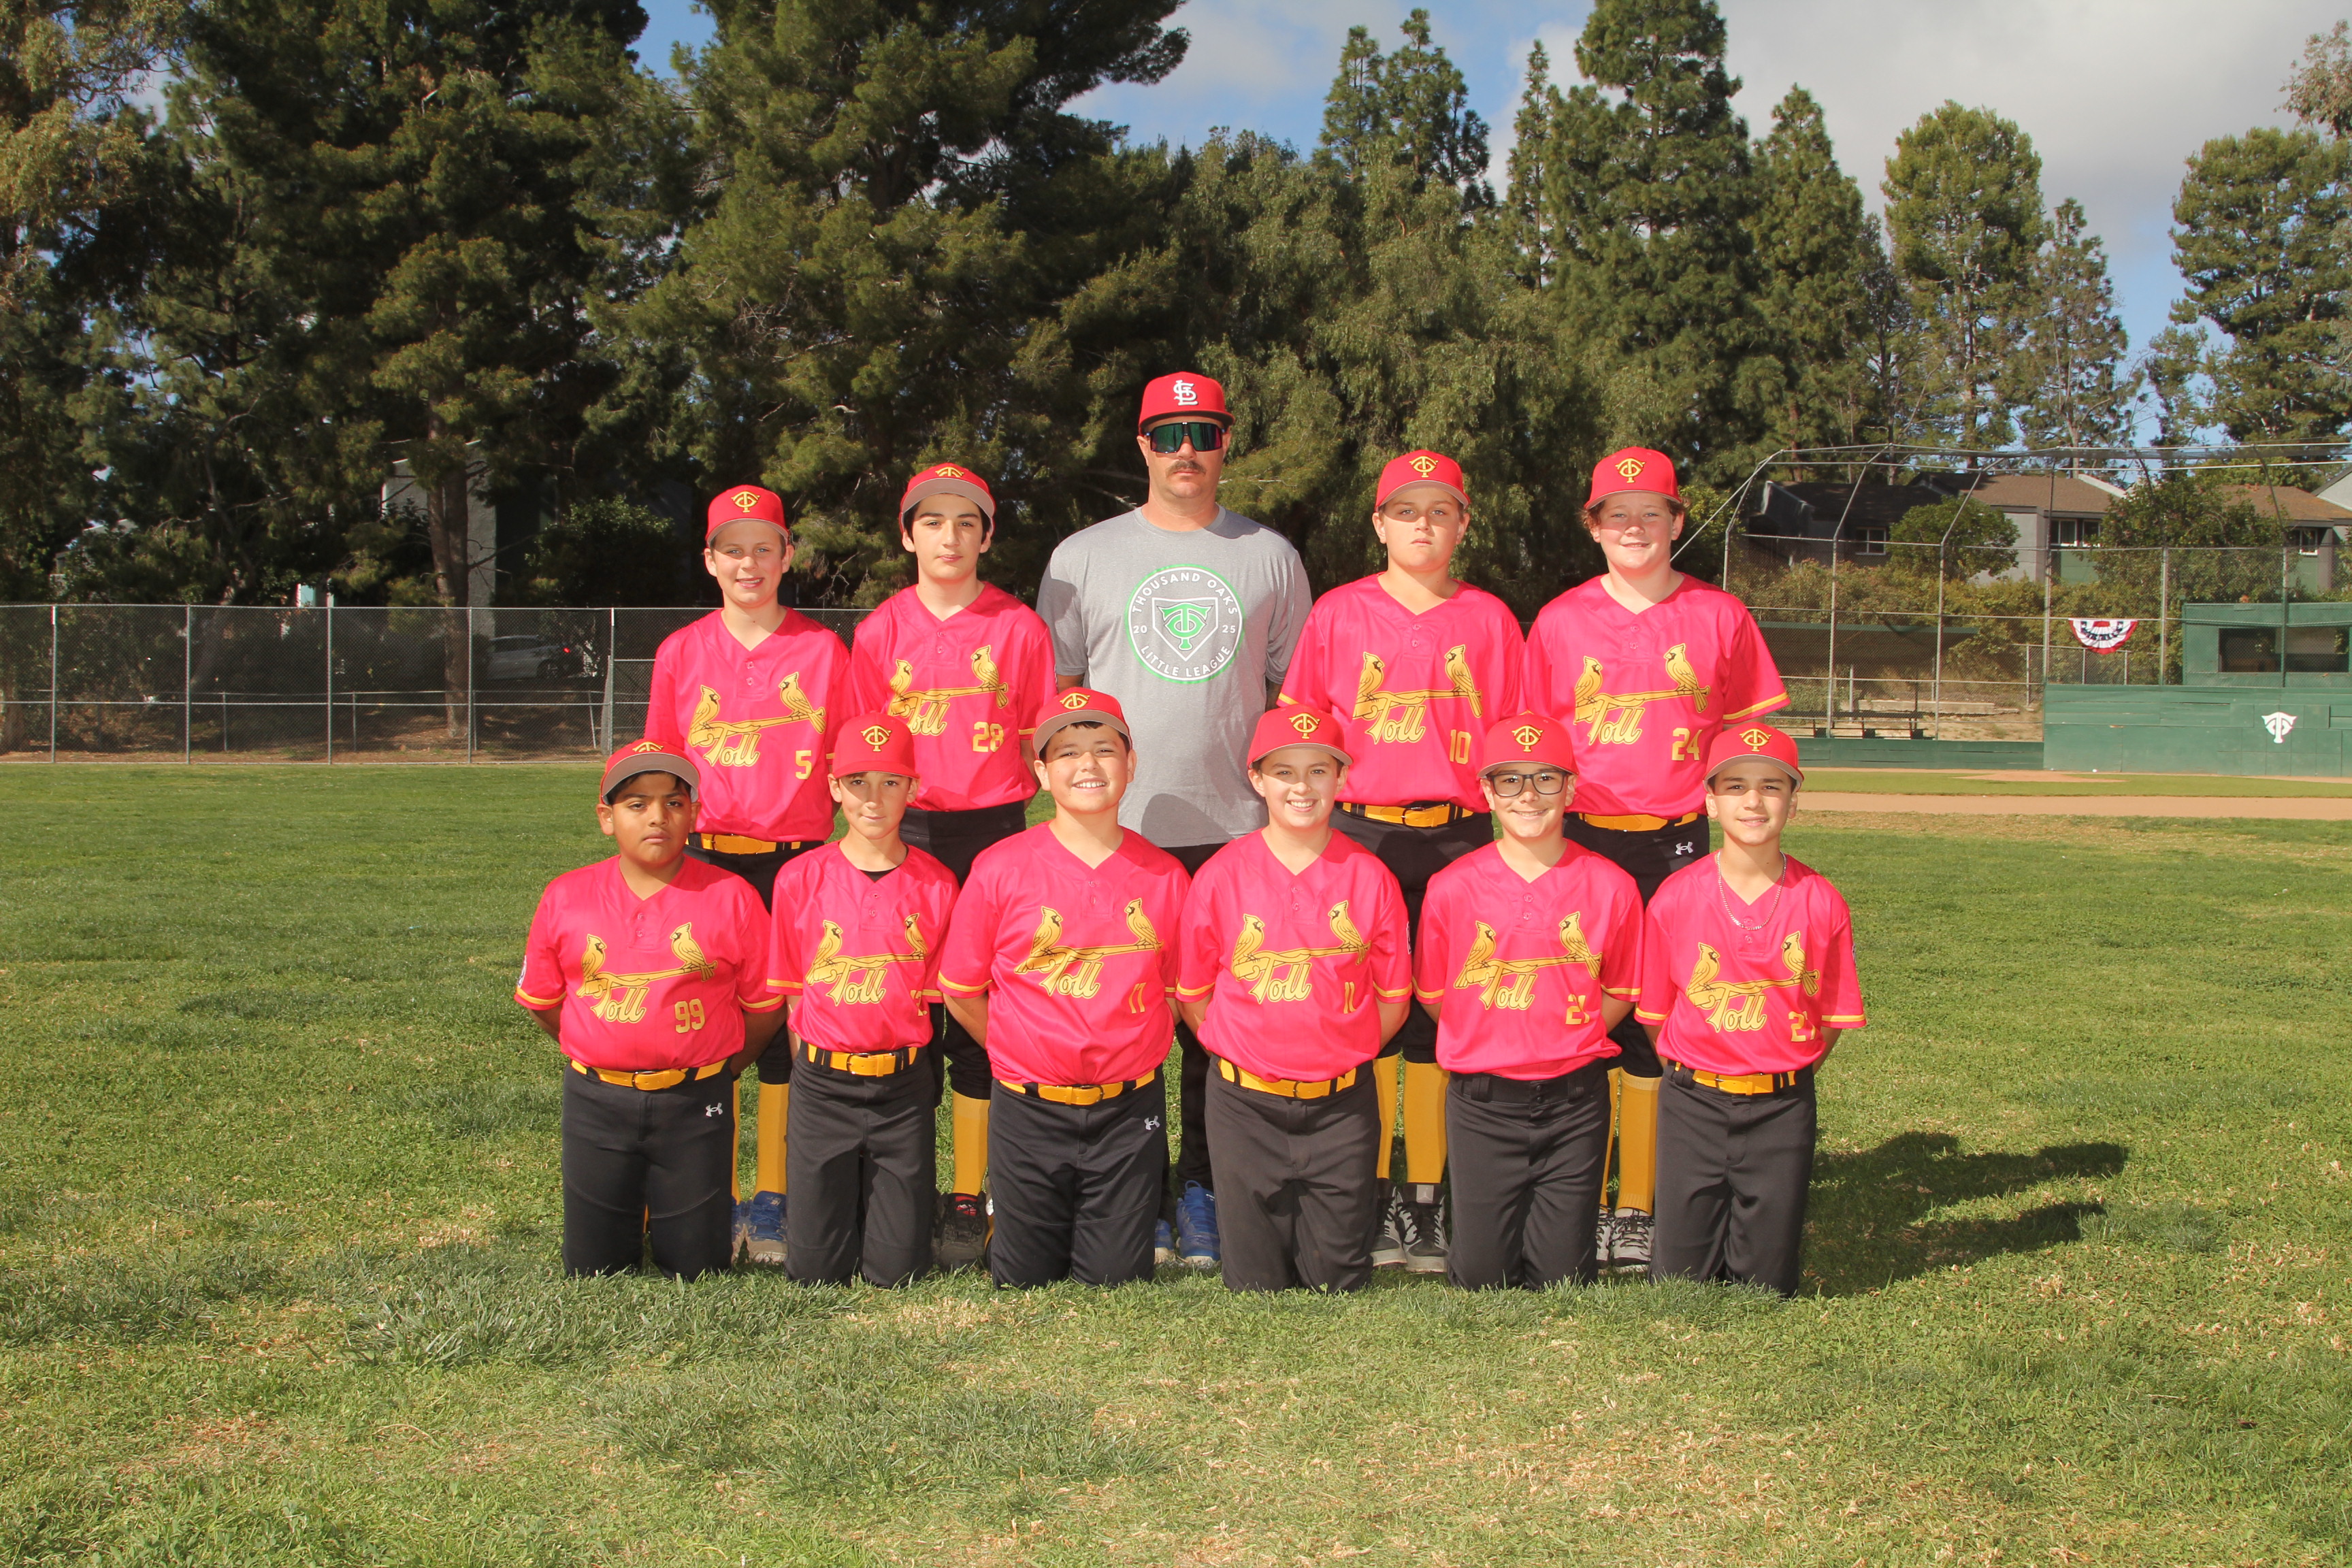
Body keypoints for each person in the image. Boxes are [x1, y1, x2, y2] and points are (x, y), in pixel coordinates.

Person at [1036, 371, 1312, 1271]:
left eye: (1204, 433)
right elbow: (1060, 697)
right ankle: (1131, 1184)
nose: (1186, 451)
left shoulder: (1270, 555)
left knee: (1211, 1021)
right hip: (1114, 829)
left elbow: (1294, 700)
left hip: (1234, 827)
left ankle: (1201, 1184)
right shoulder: (1082, 556)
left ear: (1227, 443)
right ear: (1142, 446)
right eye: (1168, 434)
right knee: (1118, 1004)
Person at [1521, 448, 1788, 1275]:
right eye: (1617, 514)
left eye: (1651, 514)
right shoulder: (1559, 620)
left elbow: (1750, 741)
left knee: (1658, 1021)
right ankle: (1574, 1192)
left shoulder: (1721, 615)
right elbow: (1533, 743)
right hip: (1582, 839)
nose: (1634, 528)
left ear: (1677, 522)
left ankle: (1637, 1203)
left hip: (1677, 842)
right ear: (1594, 527)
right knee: (1574, 1008)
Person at [1277, 448, 1523, 1274]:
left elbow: (1514, 737)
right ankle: (1374, 1185)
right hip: (1361, 831)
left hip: (1461, 833)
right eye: (1407, 511)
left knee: (1444, 1015)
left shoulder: (1490, 619)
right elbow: (1302, 730)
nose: (1424, 525)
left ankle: (1428, 1192)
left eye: (1441, 511)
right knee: (1365, 1004)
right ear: (1379, 524)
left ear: (1463, 524)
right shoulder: (1340, 612)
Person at [846, 462, 1056, 1271]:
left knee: (976, 1012)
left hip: (992, 834)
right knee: (901, 1004)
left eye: (967, 522)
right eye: (932, 521)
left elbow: (1037, 740)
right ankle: (896, 1183)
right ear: (908, 535)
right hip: (904, 832)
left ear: (987, 536)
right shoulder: (879, 632)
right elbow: (865, 749)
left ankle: (970, 1193)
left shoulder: (1019, 627)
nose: (950, 536)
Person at [645, 483, 853, 1269]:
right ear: (709, 560)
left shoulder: (824, 652)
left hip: (795, 860)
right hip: (705, 858)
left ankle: (775, 1191)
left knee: (787, 1024)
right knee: (708, 1019)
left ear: (787, 555)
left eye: (764, 548)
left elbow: (850, 760)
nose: (749, 563)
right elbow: (662, 770)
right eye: (733, 550)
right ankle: (713, 1187)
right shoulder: (681, 653)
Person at [936, 689, 1191, 1288]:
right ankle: (1003, 1214)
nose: (1088, 764)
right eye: (1068, 752)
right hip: (1028, 1105)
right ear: (1042, 771)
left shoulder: (1165, 876)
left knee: (1115, 1277)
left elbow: (1177, 993)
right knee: (1024, 1277)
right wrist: (1017, 1047)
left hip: (1127, 1108)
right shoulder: (1000, 867)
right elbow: (962, 990)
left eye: (1105, 749)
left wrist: (1131, 1044)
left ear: (1131, 764)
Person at [514, 741, 785, 1279]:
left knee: (697, 1267)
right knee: (594, 1269)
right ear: (606, 818)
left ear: (694, 816)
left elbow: (764, 1008)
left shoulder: (731, 896)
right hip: (597, 1100)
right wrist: (599, 1044)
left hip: (694, 1100)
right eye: (636, 804)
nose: (657, 816)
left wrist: (723, 1067)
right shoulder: (566, 896)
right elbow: (545, 1003)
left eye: (673, 803)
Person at [1176, 706, 1410, 1293]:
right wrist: (1245, 1053)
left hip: (1341, 1106)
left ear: (1342, 778)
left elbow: (1392, 1000)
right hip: (1244, 1106)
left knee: (1336, 1279)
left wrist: (1339, 1051)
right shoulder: (1222, 875)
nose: (1301, 787)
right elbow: (1195, 996)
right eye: (1284, 771)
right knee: (1255, 1283)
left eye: (1318, 771)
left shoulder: (1370, 876)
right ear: (1257, 779)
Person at [1413, 715, 1644, 1289]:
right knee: (1481, 1278)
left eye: (1545, 779)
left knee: (1562, 1276)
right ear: (1487, 792)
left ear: (1571, 788)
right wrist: (1486, 1036)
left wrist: (1567, 1036)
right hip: (1484, 1102)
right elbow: (1436, 995)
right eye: (1510, 780)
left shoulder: (1611, 884)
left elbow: (1620, 988)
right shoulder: (1452, 885)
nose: (1528, 796)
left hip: (1575, 1100)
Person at [1635, 723, 1865, 1296]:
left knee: (1766, 1286)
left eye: (1771, 786)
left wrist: (1783, 1069)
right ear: (1711, 802)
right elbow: (1657, 1014)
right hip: (1693, 1103)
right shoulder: (1676, 896)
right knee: (1679, 1283)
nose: (1753, 801)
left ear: (1793, 801)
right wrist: (1697, 1071)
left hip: (1781, 1107)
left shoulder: (1821, 899)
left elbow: (1830, 1016)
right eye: (1735, 786)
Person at [766, 715, 961, 1287]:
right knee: (815, 1271)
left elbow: (933, 1002)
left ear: (913, 788)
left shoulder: (937, 884)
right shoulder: (799, 878)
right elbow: (793, 999)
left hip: (902, 1086)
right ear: (834, 787)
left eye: (890, 782)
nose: (873, 799)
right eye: (858, 782)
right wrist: (811, 1074)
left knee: (897, 1271)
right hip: (822, 1083)